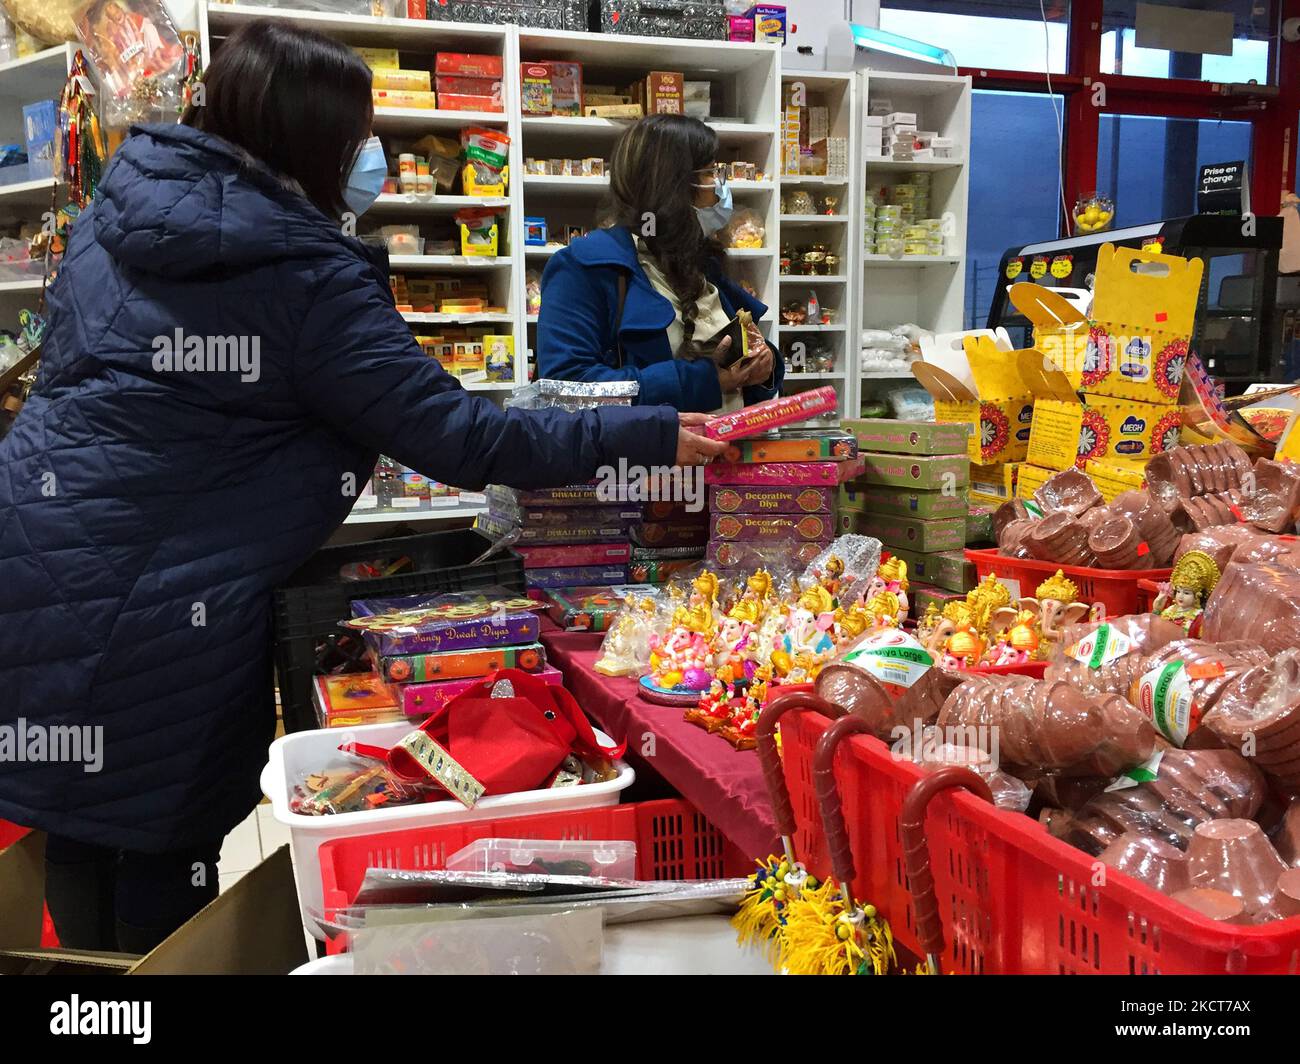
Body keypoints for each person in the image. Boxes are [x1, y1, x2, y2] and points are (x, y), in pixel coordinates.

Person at [0, 21, 725, 953]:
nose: (370, 157)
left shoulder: (113, 217)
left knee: (82, 829)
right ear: (312, 141)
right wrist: (652, 429)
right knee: (159, 866)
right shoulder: (302, 277)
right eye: (358, 138)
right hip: (157, 601)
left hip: (35, 554)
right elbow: (462, 435)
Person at [536, 114, 782, 412]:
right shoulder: (582, 268)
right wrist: (705, 381)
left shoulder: (701, 262)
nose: (718, 187)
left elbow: (741, 375)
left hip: (725, 453)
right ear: (671, 185)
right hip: (644, 458)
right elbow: (568, 390)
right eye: (709, 173)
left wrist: (763, 365)